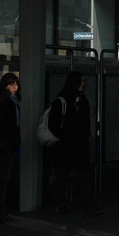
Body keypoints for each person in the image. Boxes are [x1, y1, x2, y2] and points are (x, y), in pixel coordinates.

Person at [48, 71, 101, 215]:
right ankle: (61, 204)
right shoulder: (61, 101)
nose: (83, 84)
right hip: (67, 145)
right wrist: (65, 136)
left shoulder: (83, 101)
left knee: (81, 175)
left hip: (77, 145)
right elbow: (53, 124)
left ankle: (85, 203)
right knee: (64, 175)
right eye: (81, 81)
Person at [0, 72, 22, 224]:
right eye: (11, 84)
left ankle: (0, 211)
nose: (14, 87)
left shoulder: (7, 100)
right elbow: (7, 124)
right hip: (4, 143)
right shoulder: (6, 101)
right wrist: (14, 138)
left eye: (15, 84)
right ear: (5, 86)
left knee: (2, 178)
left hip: (3, 142)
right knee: (2, 178)